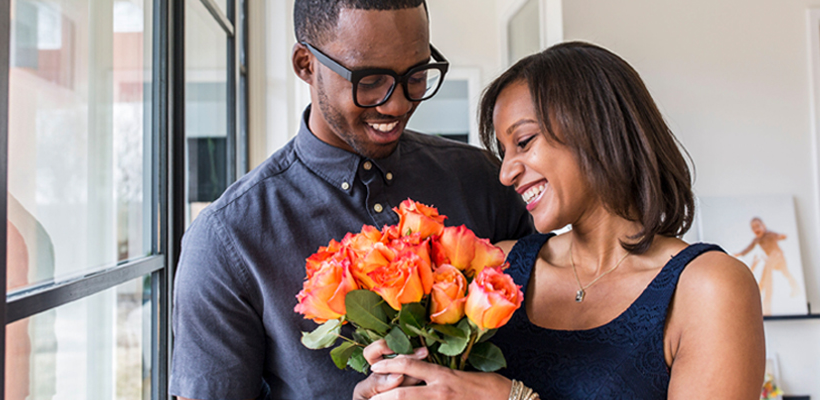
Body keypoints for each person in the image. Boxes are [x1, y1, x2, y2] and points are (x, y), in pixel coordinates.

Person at [354, 41, 765, 399]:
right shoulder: (496, 271)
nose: (505, 173)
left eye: (524, 141)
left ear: (597, 129)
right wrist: (396, 378)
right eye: (503, 152)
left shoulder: (708, 288)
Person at [168, 1, 534, 399]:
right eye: (371, 80)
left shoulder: (485, 181)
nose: (397, 105)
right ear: (306, 64)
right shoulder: (227, 238)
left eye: (416, 75)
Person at [734, 217, 800, 315]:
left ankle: (794, 287)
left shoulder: (769, 234)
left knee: (786, 273)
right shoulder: (756, 240)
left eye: (758, 226)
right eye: (753, 228)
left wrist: (782, 236)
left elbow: (778, 236)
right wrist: (740, 253)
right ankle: (760, 294)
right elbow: (749, 248)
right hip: (770, 260)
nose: (756, 229)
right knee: (765, 275)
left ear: (764, 226)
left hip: (778, 257)